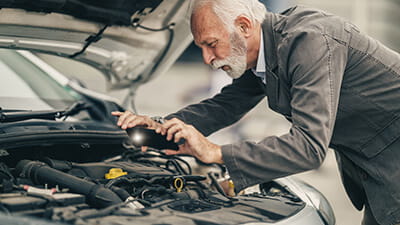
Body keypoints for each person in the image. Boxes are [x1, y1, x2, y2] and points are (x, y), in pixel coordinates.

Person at [112, 0, 400, 224]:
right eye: (201, 47)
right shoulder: (270, 46)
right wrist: (158, 126)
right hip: (376, 164)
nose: (207, 58)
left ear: (244, 26)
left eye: (211, 44)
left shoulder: (309, 42)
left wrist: (217, 152)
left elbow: (308, 148)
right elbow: (225, 105)